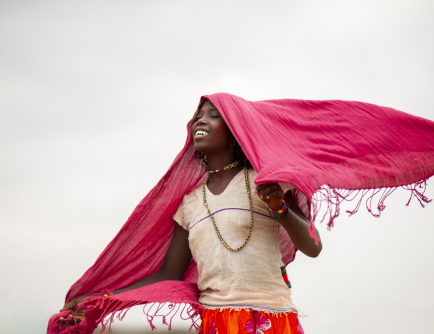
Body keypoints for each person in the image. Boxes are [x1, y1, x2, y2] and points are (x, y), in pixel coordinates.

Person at [58, 99, 322, 333]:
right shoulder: (190, 203)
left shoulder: (265, 183)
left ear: (235, 129)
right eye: (198, 116)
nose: (201, 120)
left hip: (272, 319)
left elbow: (313, 246)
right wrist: (100, 300)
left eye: (213, 115)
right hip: (215, 323)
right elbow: (168, 274)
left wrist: (280, 207)